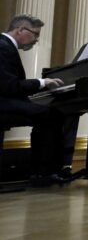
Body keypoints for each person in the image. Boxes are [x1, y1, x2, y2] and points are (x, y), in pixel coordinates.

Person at [0, 14, 70, 187]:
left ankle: (42, 171)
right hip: (2, 103)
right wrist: (41, 83)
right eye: (35, 34)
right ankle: (44, 173)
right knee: (51, 114)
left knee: (46, 114)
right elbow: (9, 86)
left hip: (5, 100)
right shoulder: (3, 46)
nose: (36, 40)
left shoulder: (5, 45)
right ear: (21, 30)